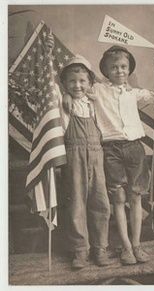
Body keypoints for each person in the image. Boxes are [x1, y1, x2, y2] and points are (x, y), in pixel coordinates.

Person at [63, 45, 154, 266]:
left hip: (135, 147)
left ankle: (136, 245)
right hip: (111, 149)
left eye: (124, 67)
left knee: (135, 198)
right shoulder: (99, 90)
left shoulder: (135, 93)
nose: (119, 71)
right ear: (105, 70)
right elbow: (78, 85)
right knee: (118, 198)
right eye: (113, 67)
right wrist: (67, 94)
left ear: (129, 69)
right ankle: (124, 247)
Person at [58, 55, 111, 269]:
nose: (77, 85)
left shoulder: (95, 104)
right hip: (74, 157)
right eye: (72, 81)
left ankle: (100, 248)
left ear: (90, 83)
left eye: (82, 81)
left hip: (97, 156)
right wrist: (63, 94)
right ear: (64, 84)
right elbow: (52, 86)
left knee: (101, 203)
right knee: (76, 204)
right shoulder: (64, 104)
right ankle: (80, 250)